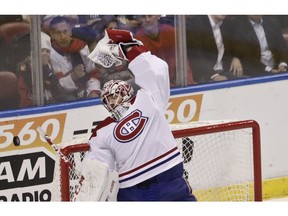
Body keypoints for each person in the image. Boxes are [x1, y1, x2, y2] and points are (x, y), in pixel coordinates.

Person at [83, 29, 197, 201]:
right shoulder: (100, 132)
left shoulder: (148, 98)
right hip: (133, 191)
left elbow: (158, 69)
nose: (112, 102)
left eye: (114, 95)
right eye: (108, 99)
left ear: (126, 91)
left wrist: (130, 48)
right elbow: (99, 169)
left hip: (170, 180)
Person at [48, 16, 101, 102]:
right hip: (63, 99)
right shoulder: (50, 53)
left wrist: (92, 91)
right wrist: (74, 76)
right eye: (58, 33)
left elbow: (93, 74)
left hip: (85, 93)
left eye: (65, 32)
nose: (63, 37)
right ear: (52, 35)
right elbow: (58, 88)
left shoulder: (82, 47)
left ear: (70, 32)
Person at [134, 15, 196, 87]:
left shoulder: (171, 32)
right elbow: (144, 74)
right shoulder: (137, 40)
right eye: (143, 17)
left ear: (158, 16)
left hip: (175, 84)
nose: (147, 20)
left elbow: (182, 62)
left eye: (150, 16)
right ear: (139, 19)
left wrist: (189, 84)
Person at [186, 15, 240, 83]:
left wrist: (235, 58)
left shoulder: (227, 24)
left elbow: (234, 46)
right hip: (205, 75)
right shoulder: (195, 22)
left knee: (245, 82)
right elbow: (195, 56)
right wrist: (214, 75)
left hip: (224, 71)